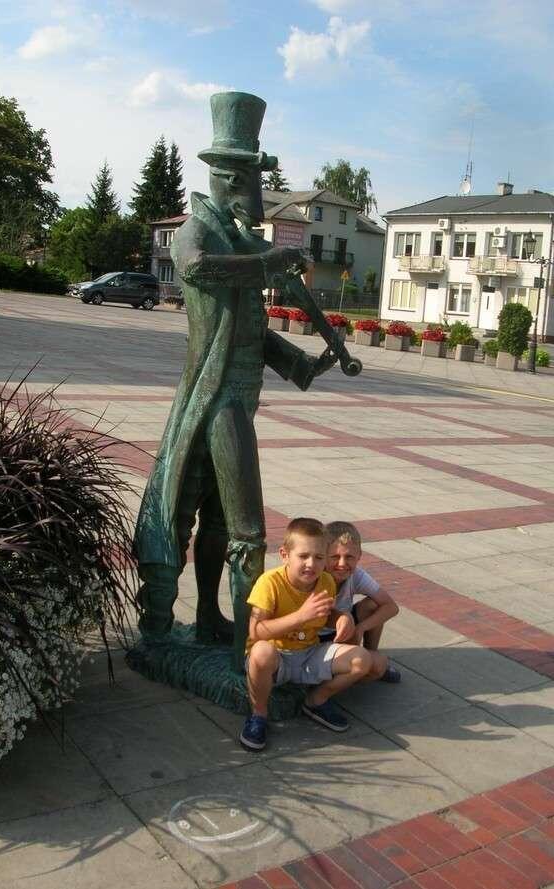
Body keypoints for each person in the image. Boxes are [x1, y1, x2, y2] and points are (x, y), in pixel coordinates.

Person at [132, 92, 337, 668]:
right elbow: (195, 268)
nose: (258, 192)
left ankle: (210, 618)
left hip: (240, 397)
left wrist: (300, 364)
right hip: (216, 400)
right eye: (251, 179)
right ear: (228, 178)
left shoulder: (239, 240)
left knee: (219, 520)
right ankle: (252, 640)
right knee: (245, 525)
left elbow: (251, 331)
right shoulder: (197, 232)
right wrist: (269, 262)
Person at [240, 517, 387, 751]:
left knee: (362, 660)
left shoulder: (325, 580)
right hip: (277, 656)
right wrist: (300, 616)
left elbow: (325, 614)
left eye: (319, 557)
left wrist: (340, 618)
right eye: (303, 556)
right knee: (261, 652)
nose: (311, 564)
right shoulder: (269, 583)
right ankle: (258, 714)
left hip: (309, 652)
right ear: (285, 555)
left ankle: (316, 700)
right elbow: (256, 631)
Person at [325, 521, 401, 684]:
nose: (342, 564)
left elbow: (391, 607)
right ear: (323, 555)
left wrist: (361, 628)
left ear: (359, 556)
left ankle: (369, 653)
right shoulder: (315, 576)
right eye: (335, 557)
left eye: (349, 557)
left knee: (374, 605)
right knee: (376, 666)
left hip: (345, 628)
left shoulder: (356, 575)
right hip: (316, 636)